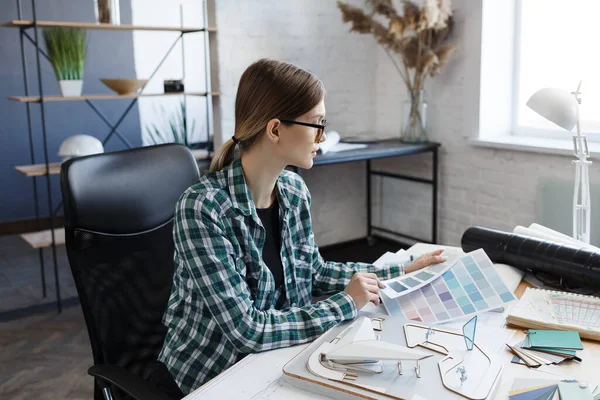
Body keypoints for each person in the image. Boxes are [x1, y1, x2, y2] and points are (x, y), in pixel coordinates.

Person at [158, 58, 446, 396]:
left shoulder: (293, 191)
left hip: (275, 360)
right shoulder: (203, 207)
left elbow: (313, 272)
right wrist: (344, 304)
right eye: (316, 124)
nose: (322, 137)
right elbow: (247, 330)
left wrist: (400, 271)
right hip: (212, 375)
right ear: (276, 129)